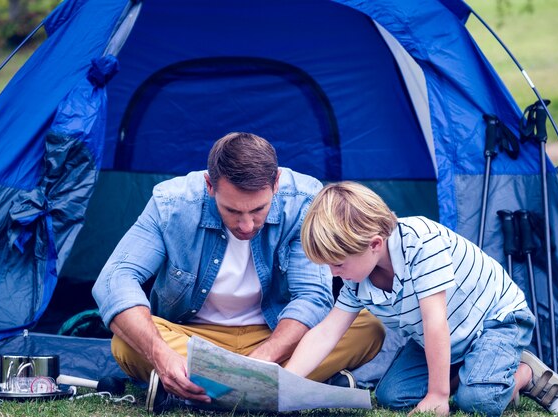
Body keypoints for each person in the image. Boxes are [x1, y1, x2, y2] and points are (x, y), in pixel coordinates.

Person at [92, 133, 384, 413]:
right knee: (127, 340)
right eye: (232, 211)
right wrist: (161, 354)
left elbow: (312, 297)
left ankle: (193, 390)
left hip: (273, 337)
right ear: (210, 185)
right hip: (193, 338)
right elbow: (114, 280)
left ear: (276, 183)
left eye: (258, 209)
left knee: (368, 329)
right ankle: (291, 387)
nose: (246, 225)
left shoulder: (304, 200)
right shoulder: (171, 203)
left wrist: (263, 359)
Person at [285, 181, 558, 417]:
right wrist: (284, 384)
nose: (334, 273)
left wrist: (438, 396)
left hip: (495, 322)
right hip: (446, 338)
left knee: (479, 402)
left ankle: (523, 371)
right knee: (393, 395)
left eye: (338, 263)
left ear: (374, 244)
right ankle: (478, 370)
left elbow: (435, 322)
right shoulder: (357, 279)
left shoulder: (421, 243)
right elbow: (326, 333)